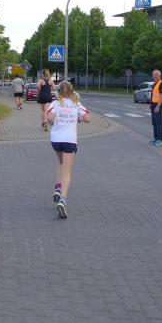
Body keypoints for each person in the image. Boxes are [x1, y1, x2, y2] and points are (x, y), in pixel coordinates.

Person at [46, 80, 90, 219]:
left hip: (56, 141)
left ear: (58, 91)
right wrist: (78, 118)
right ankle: (63, 200)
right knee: (67, 171)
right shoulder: (76, 104)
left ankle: (58, 189)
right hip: (69, 141)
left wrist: (54, 118)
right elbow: (87, 118)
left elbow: (50, 119)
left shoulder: (54, 103)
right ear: (71, 91)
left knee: (61, 163)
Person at [149, 69, 162, 146]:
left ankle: (160, 140)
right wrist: (150, 104)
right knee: (154, 123)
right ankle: (156, 138)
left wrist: (158, 107)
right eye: (153, 74)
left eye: (156, 74)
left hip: (158, 105)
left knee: (158, 123)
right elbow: (153, 94)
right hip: (153, 105)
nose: (155, 76)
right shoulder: (154, 84)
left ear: (159, 75)